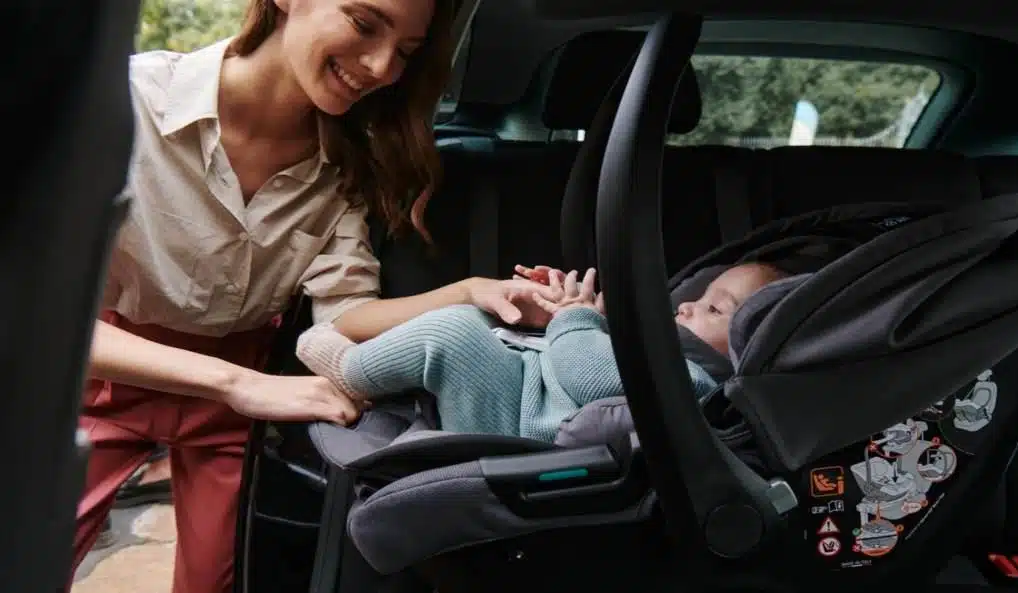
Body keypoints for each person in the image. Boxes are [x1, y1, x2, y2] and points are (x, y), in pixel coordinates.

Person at [71, 1, 558, 592]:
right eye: (364, 24)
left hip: (243, 390)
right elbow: (39, 320)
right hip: (105, 366)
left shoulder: (351, 163)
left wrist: (469, 292)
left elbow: (347, 312)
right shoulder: (123, 102)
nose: (382, 67)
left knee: (222, 578)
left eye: (406, 52)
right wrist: (238, 383)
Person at [296, 263, 788, 442]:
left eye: (714, 308)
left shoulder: (694, 385)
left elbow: (587, 374)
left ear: (747, 350)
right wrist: (564, 312)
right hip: (520, 389)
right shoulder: (665, 359)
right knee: (474, 321)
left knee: (455, 335)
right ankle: (374, 371)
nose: (686, 305)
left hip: (510, 428)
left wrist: (574, 318)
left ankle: (350, 370)